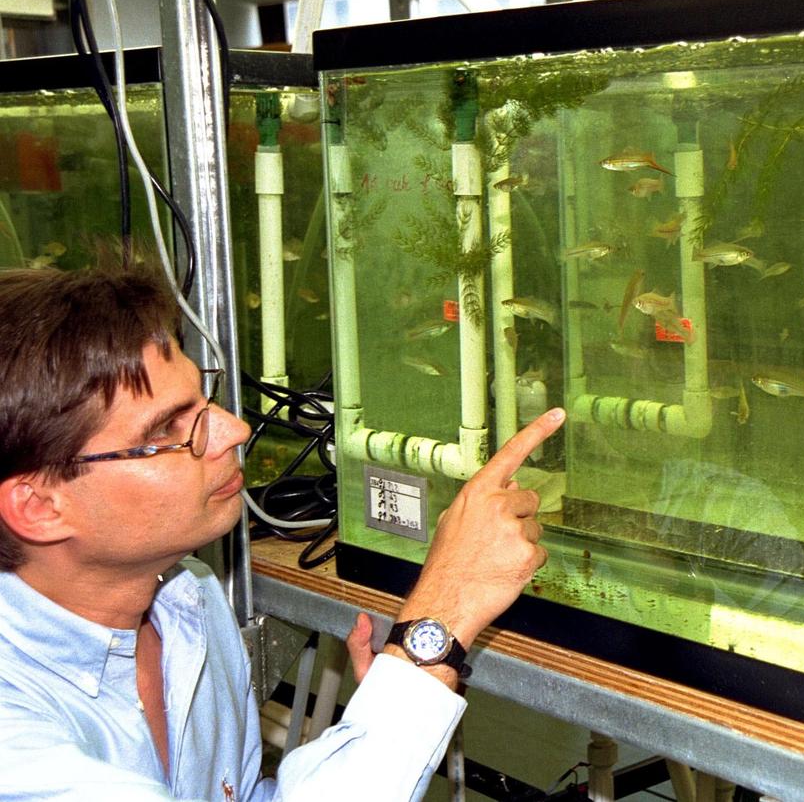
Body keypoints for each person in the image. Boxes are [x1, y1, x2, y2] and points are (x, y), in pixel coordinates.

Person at [0, 266, 564, 800]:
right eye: (169, 429)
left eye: (204, 401)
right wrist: (445, 612)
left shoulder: (187, 601)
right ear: (40, 506)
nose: (235, 430)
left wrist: (383, 718)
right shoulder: (16, 742)